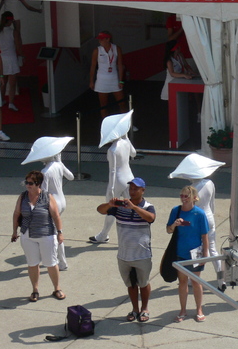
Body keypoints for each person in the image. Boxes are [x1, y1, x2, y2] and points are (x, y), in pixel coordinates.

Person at [95, 178, 155, 322]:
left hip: (142, 254)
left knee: (144, 283)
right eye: (131, 188)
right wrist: (109, 204)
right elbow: (100, 210)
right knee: (130, 284)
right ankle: (135, 309)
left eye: (136, 189)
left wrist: (134, 207)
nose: (132, 191)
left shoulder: (148, 206)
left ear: (143, 190)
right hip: (124, 255)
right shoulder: (119, 207)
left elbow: (151, 218)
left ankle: (144, 309)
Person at [169, 153, 226, 291]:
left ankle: (192, 278)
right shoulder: (210, 183)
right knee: (213, 249)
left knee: (192, 249)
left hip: (197, 221)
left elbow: (188, 208)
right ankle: (221, 280)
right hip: (209, 217)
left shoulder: (192, 190)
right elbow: (212, 203)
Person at [22, 136, 75, 270]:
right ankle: (60, 261)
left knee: (55, 233)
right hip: (62, 201)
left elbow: (42, 193)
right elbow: (71, 177)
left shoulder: (44, 172)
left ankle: (61, 262)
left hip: (53, 203)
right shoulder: (58, 165)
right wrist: (60, 161)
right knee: (56, 229)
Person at [11, 170, 65, 302]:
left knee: (51, 263)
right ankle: (35, 290)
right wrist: (14, 232)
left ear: (38, 184)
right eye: (26, 182)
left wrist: (60, 232)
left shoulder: (47, 197)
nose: (28, 185)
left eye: (31, 183)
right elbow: (16, 214)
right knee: (32, 264)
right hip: (27, 235)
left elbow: (56, 216)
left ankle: (57, 288)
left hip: (46, 235)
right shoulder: (22, 197)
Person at [90, 111, 136, 244]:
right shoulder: (126, 142)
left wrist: (110, 188)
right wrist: (127, 137)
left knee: (111, 208)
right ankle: (131, 235)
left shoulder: (112, 150)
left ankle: (103, 235)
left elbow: (113, 171)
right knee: (131, 207)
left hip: (118, 181)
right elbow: (134, 153)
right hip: (130, 178)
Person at [166, 185, 209, 323]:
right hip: (180, 252)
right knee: (182, 282)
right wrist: (174, 225)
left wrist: (205, 255)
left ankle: (199, 309)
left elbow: (205, 236)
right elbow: (168, 230)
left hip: (195, 253)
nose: (183, 199)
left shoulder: (199, 214)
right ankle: (183, 310)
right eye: (182, 196)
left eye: (186, 196)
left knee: (196, 282)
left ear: (194, 198)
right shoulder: (176, 211)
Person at [89, 30, 127, 118]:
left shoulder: (116, 48)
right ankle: (105, 127)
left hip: (114, 79)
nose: (100, 41)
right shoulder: (97, 50)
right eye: (99, 39)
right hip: (101, 81)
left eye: (102, 39)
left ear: (108, 39)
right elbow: (93, 67)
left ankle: (127, 124)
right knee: (103, 106)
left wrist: (121, 81)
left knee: (122, 103)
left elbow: (120, 65)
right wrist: (91, 81)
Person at [0, 11, 24, 111]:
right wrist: (21, 55)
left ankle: (1, 100)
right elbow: (19, 46)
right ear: (10, 21)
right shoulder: (14, 32)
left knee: (3, 82)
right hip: (11, 59)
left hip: (1, 60)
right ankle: (11, 103)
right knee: (12, 84)